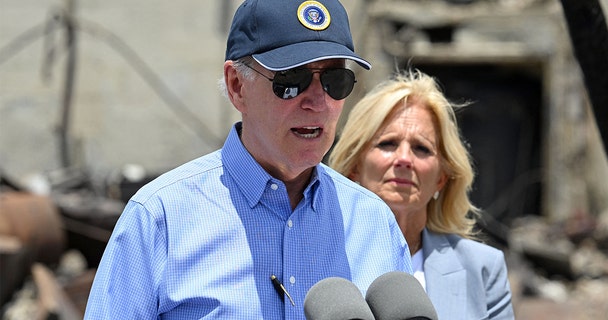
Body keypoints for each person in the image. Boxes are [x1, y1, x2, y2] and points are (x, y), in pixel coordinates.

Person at [84, 0, 412, 318]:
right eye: (291, 81)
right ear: (237, 85)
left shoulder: (374, 223)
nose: (317, 102)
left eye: (335, 81)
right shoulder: (159, 219)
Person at [329, 69, 515, 319]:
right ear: (354, 167)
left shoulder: (482, 269)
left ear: (441, 178)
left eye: (421, 148)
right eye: (387, 144)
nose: (404, 159)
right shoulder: (318, 257)